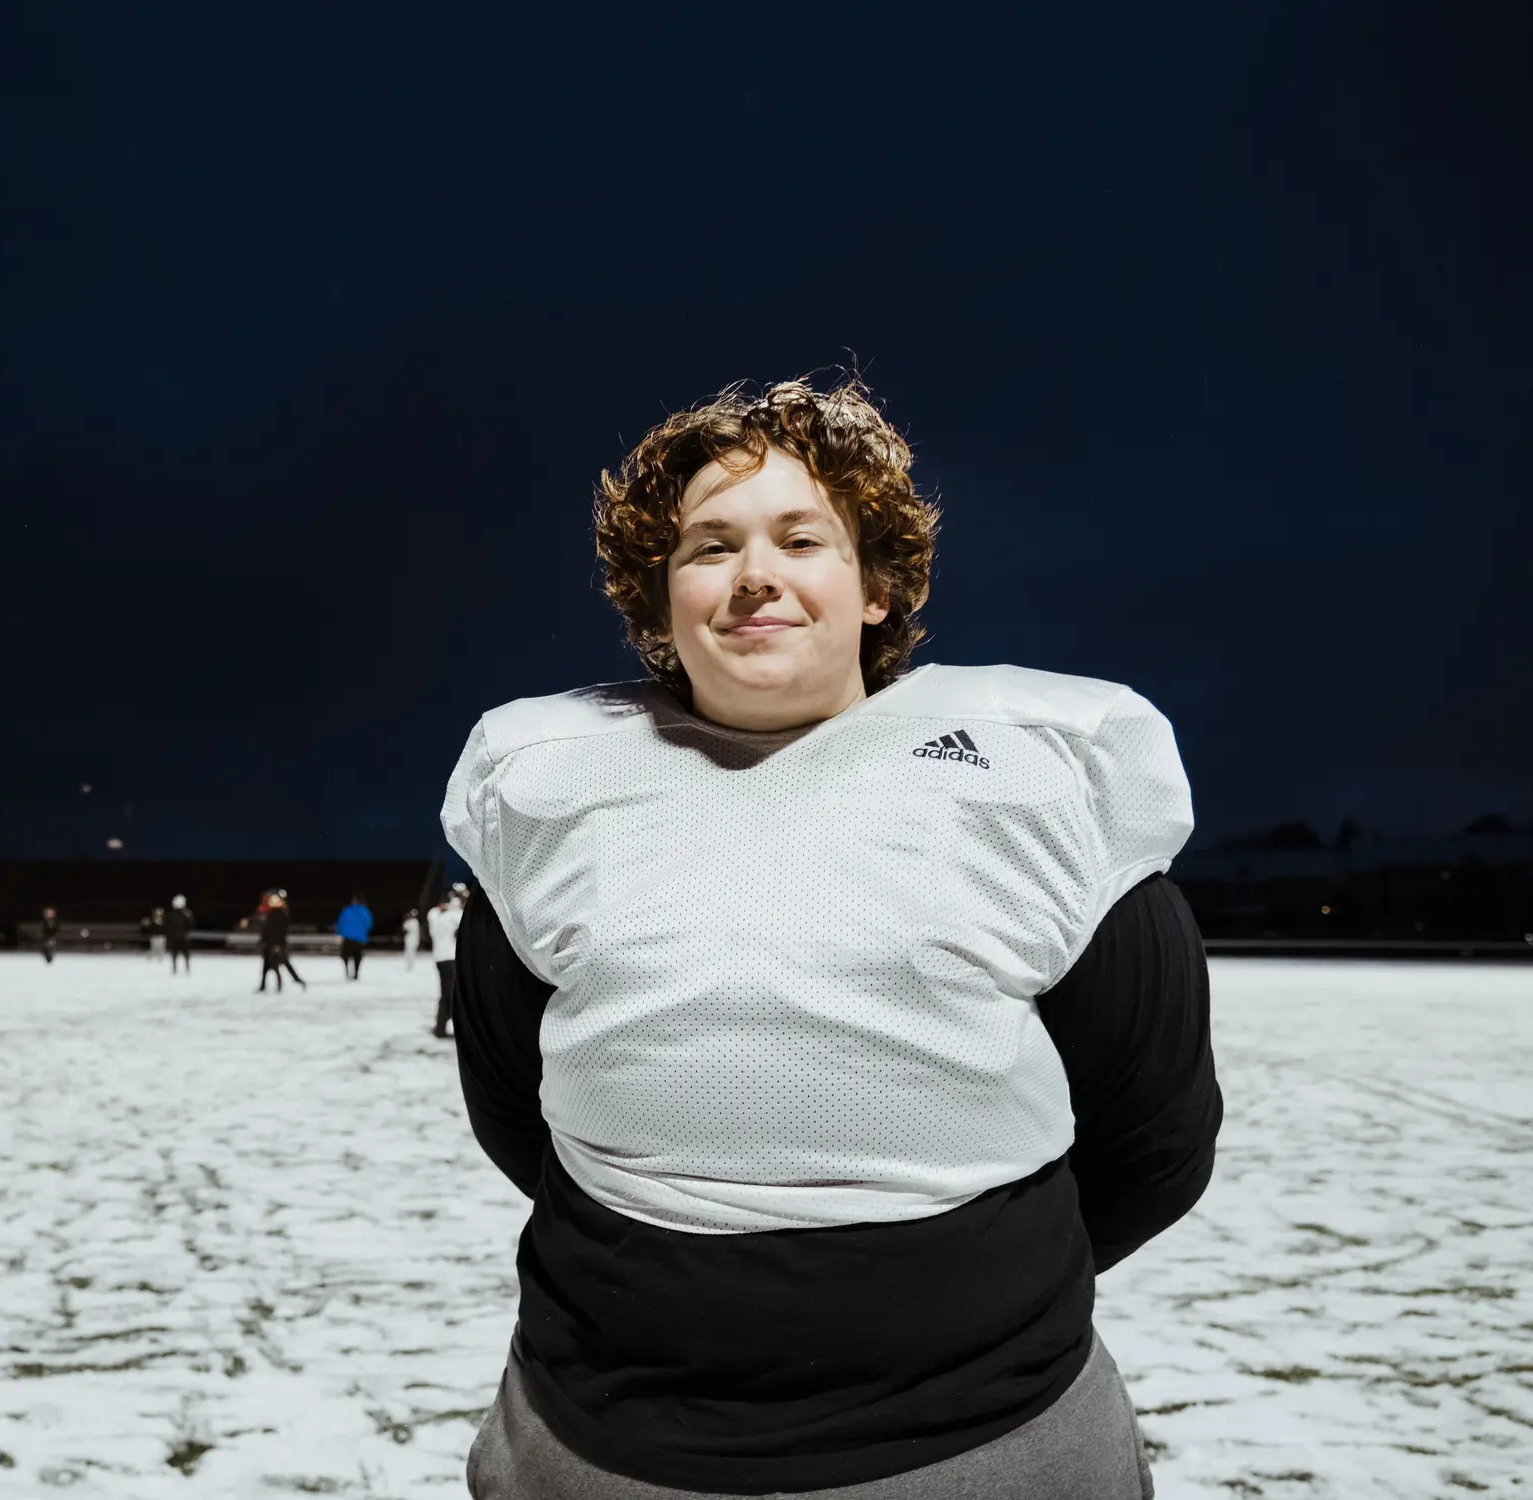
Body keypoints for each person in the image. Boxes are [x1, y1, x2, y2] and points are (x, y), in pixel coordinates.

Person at [440, 377, 1218, 1498]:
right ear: (659, 601)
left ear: (877, 587)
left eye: (801, 539)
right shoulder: (550, 788)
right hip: (604, 1431)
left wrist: (940, 1288)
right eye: (710, 546)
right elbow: (515, 1101)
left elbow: (1153, 1136)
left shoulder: (1041, 775)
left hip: (985, 1439)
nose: (755, 573)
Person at [425, 888, 464, 1038]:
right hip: (450, 958)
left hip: (440, 958)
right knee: (452, 995)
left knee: (447, 993)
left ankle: (441, 1025)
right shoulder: (453, 915)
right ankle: (442, 1028)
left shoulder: (434, 915)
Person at [257, 890, 306, 992]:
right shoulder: (270, 914)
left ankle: (295, 981)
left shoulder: (282, 915)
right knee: (267, 966)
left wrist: (277, 944)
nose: (272, 902)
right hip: (269, 944)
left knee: (282, 964)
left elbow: (280, 932)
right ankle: (263, 986)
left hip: (277, 944)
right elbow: (266, 929)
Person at [335, 893, 374, 979]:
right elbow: (369, 924)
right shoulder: (365, 911)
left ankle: (347, 969)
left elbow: (340, 922)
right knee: (357, 956)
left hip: (348, 937)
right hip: (360, 939)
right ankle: (356, 972)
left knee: (345, 955)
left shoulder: (347, 910)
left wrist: (339, 932)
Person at [164, 894, 195, 973]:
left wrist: (169, 937)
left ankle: (175, 968)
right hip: (183, 937)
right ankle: (187, 968)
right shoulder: (187, 914)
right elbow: (191, 926)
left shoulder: (171, 915)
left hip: (175, 938)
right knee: (185, 954)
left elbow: (168, 927)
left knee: (174, 954)